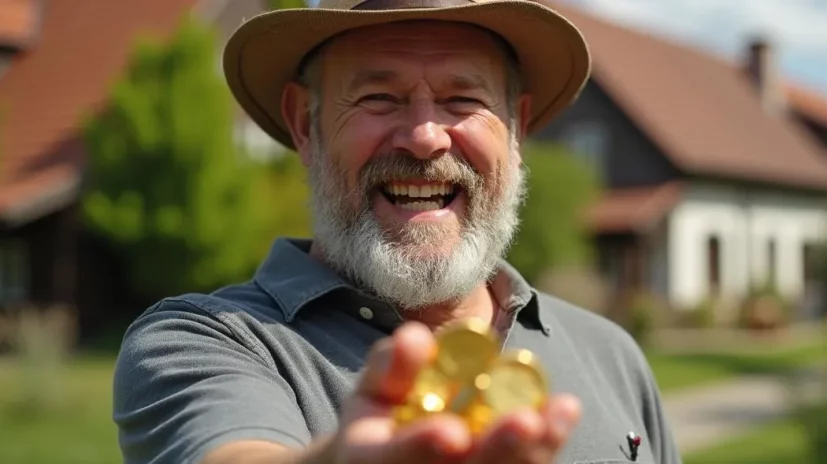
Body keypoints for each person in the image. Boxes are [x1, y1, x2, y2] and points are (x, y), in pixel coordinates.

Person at [112, 1, 680, 463]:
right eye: (379, 97)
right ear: (302, 125)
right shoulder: (206, 341)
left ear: (516, 128)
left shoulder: (614, 355)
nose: (425, 136)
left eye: (464, 99)